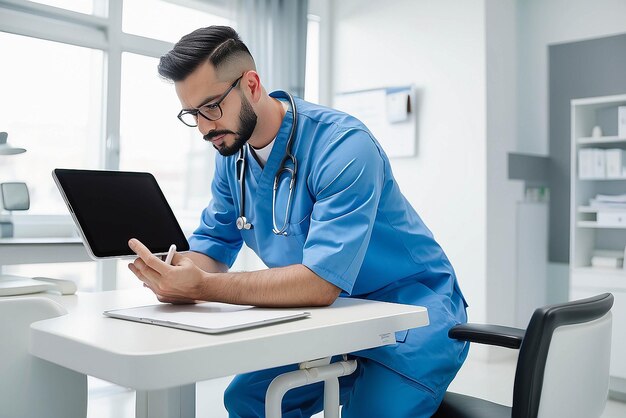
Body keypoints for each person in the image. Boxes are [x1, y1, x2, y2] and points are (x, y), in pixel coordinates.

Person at [128, 25, 469, 418]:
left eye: (211, 107)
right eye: (192, 114)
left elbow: (320, 283)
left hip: (409, 317)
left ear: (251, 84)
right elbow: (211, 246)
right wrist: (173, 272)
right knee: (247, 399)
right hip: (332, 320)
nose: (204, 128)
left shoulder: (343, 145)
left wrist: (203, 287)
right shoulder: (233, 158)